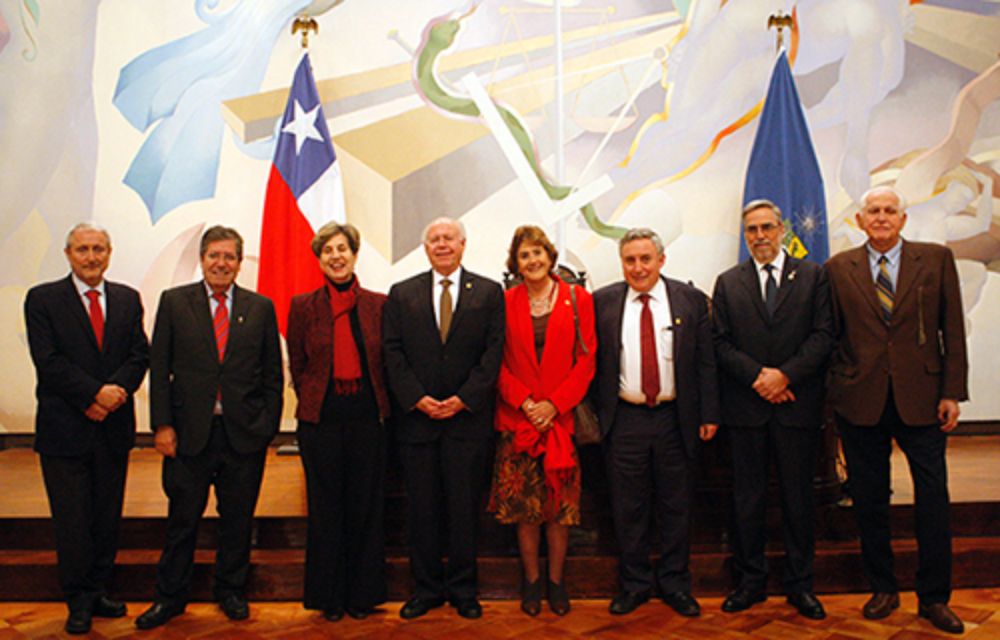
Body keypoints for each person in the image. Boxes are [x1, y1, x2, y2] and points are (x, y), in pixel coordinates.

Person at [826, 186, 968, 634]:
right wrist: (837, 389)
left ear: (903, 219)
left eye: (890, 210)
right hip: (861, 401)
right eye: (873, 210)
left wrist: (952, 392)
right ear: (860, 220)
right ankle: (883, 589)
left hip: (923, 398)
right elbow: (830, 335)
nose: (882, 217)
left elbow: (952, 330)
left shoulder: (936, 259)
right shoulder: (838, 268)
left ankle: (934, 598)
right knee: (870, 501)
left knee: (933, 500)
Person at [136, 225, 283, 629]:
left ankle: (230, 591)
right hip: (188, 435)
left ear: (239, 261)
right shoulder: (174, 302)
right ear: (202, 259)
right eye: (214, 255)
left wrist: (265, 428)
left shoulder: (260, 307)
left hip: (242, 436)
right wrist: (162, 426)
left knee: (238, 520)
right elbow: (160, 368)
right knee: (182, 521)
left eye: (229, 256)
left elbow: (272, 373)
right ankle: (170, 597)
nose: (221, 263)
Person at [24, 223, 149, 635]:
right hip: (65, 431)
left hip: (112, 429)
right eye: (83, 249)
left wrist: (113, 395)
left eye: (98, 249)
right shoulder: (43, 299)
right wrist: (94, 395)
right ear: (68, 254)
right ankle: (77, 600)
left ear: (109, 253)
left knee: (105, 518)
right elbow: (48, 361)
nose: (91, 257)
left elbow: (138, 355)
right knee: (72, 521)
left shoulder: (127, 299)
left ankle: (98, 591)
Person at [711, 200, 834, 619]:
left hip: (796, 407)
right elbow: (720, 342)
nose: (760, 236)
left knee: (798, 500)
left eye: (767, 227)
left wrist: (785, 376)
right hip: (747, 410)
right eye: (752, 229)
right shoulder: (728, 283)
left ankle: (801, 585)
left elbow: (823, 335)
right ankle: (750, 582)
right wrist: (760, 378)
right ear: (745, 235)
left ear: (782, 230)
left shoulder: (813, 276)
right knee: (747, 500)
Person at [591, 227, 719, 617]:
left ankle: (675, 584)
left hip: (675, 419)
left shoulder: (689, 300)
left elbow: (705, 361)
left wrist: (709, 413)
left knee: (675, 505)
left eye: (645, 259)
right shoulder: (603, 302)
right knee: (628, 507)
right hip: (624, 420)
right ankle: (635, 585)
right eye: (630, 260)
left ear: (661, 260)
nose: (638, 267)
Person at [383, 217, 505, 620]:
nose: (441, 244)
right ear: (425, 248)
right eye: (434, 239)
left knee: (464, 511)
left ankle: (464, 590)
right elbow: (392, 352)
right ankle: (427, 589)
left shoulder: (489, 292)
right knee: (422, 511)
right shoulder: (402, 293)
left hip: (467, 424)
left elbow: (493, 353)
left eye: (448, 238)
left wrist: (464, 399)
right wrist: (417, 399)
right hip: (418, 424)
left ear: (463, 244)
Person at [487, 225, 596, 617]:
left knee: (558, 512)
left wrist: (554, 405)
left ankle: (556, 582)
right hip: (518, 420)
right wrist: (526, 402)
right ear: (515, 264)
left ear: (550, 257)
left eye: (537, 252)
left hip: (559, 423)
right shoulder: (504, 302)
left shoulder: (577, 299)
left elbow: (587, 360)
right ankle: (532, 582)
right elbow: (495, 361)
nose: (532, 260)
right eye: (524, 255)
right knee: (525, 512)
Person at [286, 222, 390, 622]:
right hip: (321, 423)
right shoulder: (303, 306)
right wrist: (315, 396)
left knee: (365, 508)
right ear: (319, 259)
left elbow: (386, 362)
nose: (336, 256)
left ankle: (362, 595)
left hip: (368, 421)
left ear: (354, 254)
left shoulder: (379, 305)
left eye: (342, 248)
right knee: (326, 510)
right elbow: (298, 365)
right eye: (327, 250)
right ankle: (329, 596)